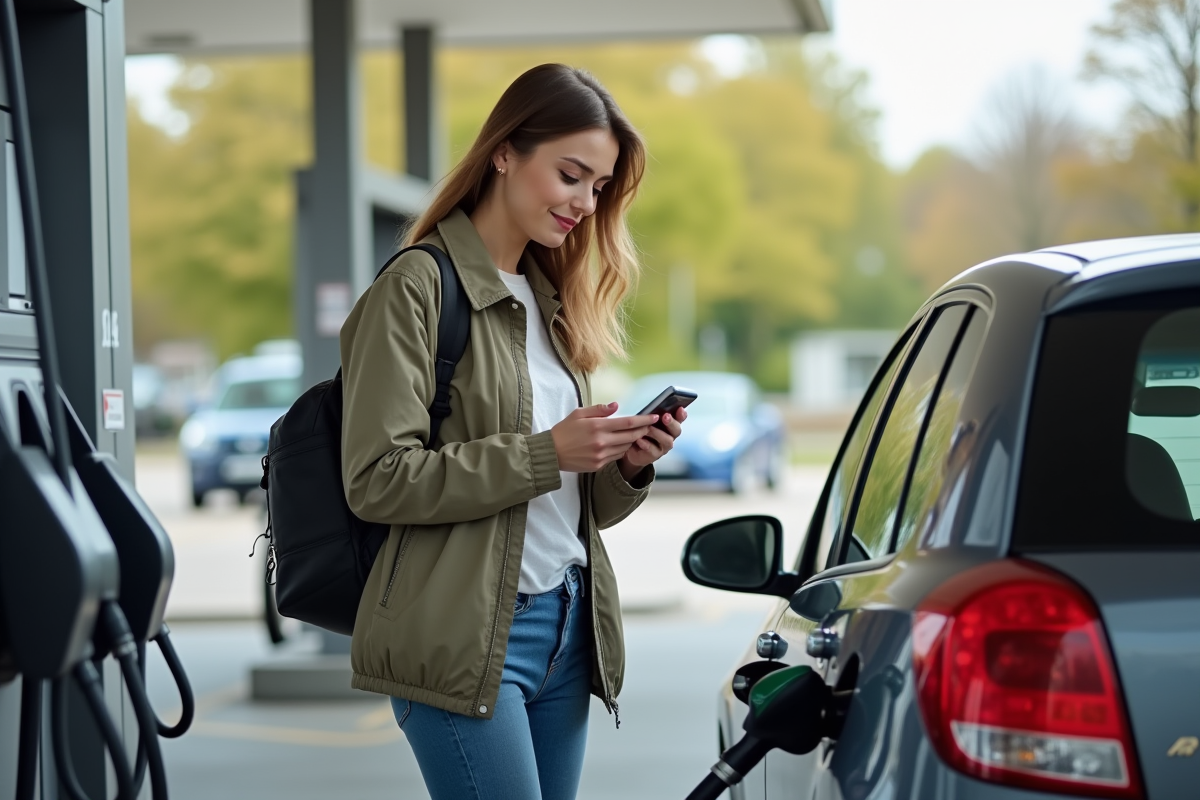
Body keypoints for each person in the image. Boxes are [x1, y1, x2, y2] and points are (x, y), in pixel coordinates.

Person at [338, 63, 686, 800]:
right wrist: (545, 452)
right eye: (571, 175)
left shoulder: (552, 302)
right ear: (504, 152)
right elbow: (376, 478)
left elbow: (569, 508)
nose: (585, 204)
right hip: (465, 640)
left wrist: (622, 469)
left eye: (598, 188)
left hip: (566, 627)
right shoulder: (417, 288)